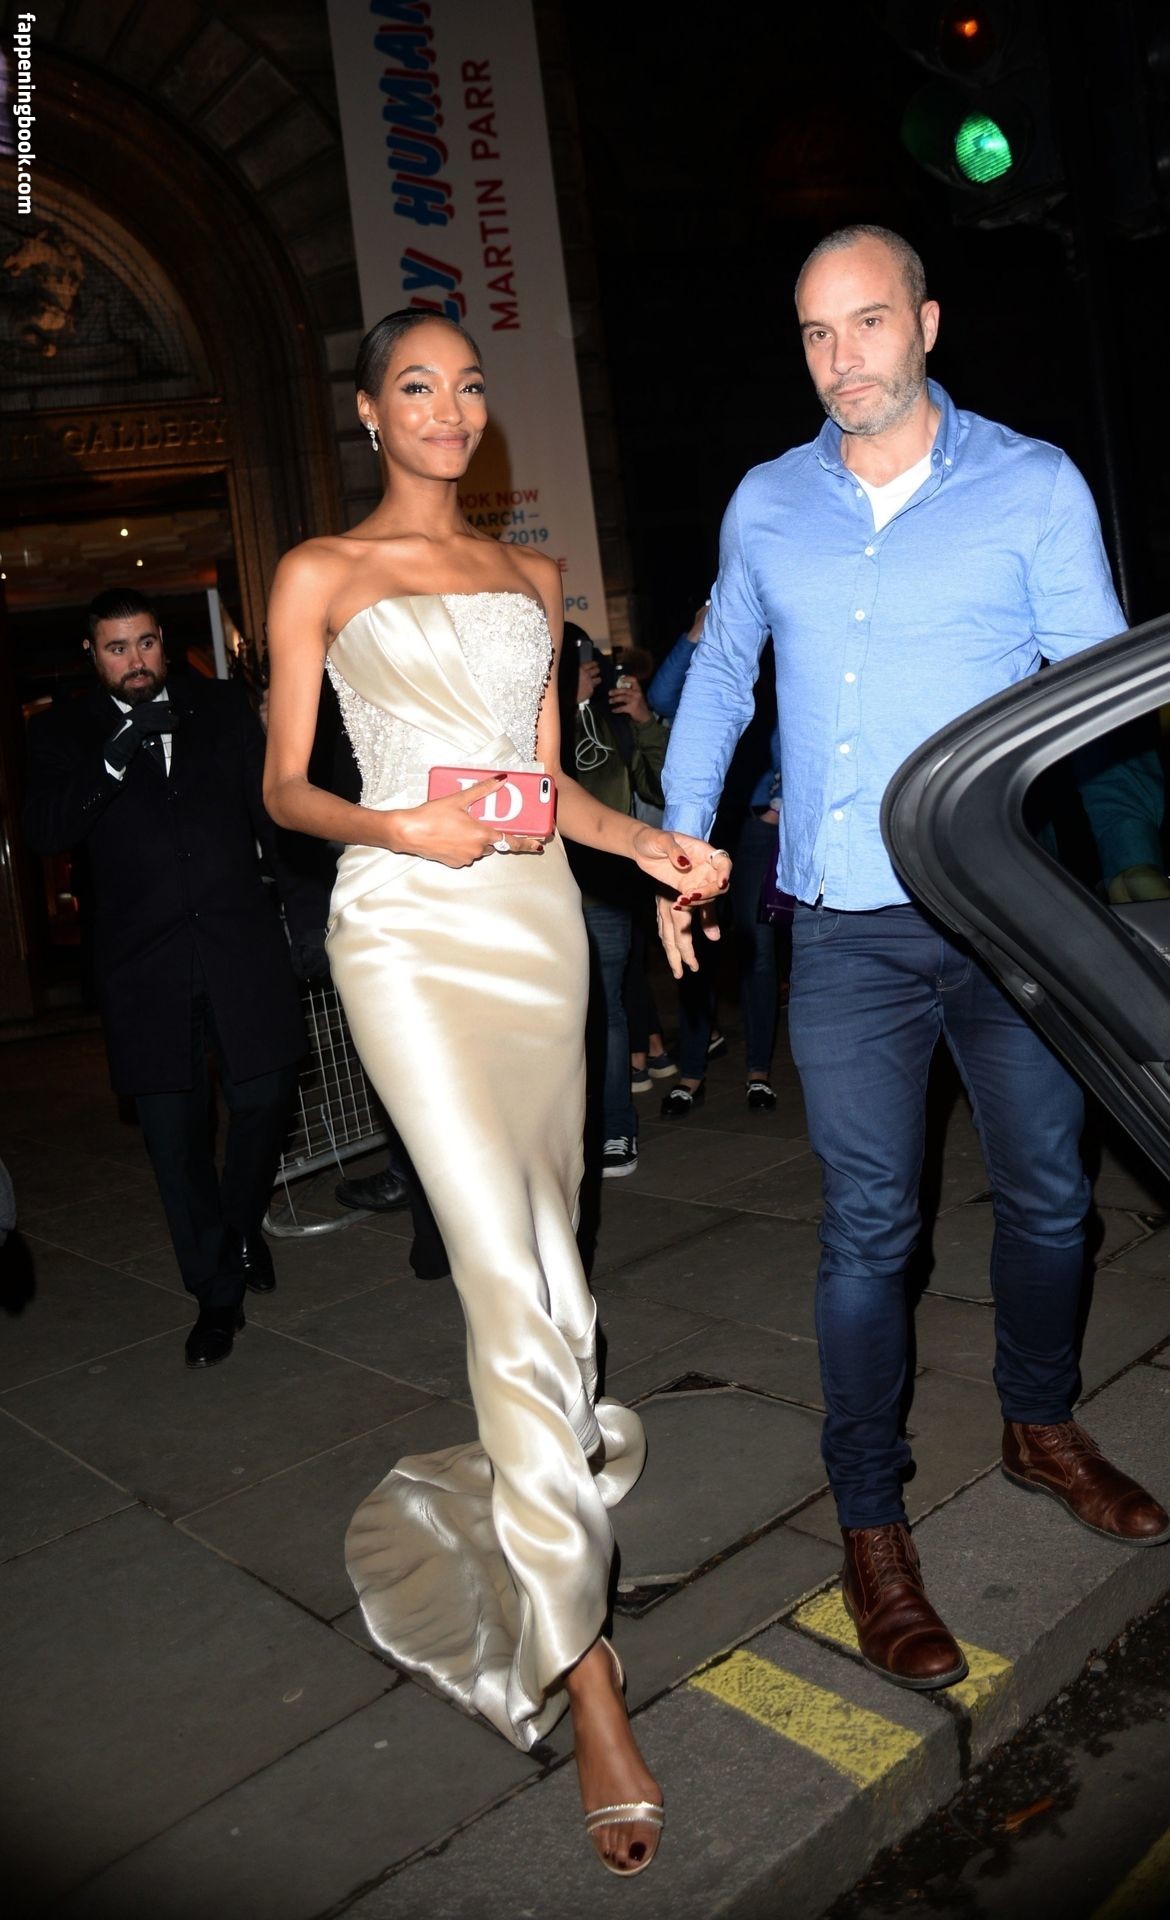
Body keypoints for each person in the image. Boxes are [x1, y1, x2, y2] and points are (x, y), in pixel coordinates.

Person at [659, 224, 1170, 1695]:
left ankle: (1038, 1425)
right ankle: (871, 1526)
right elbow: (722, 675)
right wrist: (680, 837)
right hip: (845, 932)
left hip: (1010, 919)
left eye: (868, 323)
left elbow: (1098, 695)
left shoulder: (1033, 483)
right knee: (869, 1233)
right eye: (816, 333)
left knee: (1052, 1204)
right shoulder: (768, 503)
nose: (843, 359)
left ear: (927, 323)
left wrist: (1128, 872)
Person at [260, 307, 729, 1875]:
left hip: (534, 933)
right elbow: (286, 787)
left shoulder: (532, 581)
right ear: (367, 411)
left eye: (466, 386)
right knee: (497, 1272)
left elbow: (550, 793)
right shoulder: (320, 572)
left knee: (553, 1257)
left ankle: (543, 1488)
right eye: (417, 386)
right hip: (404, 932)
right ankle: (581, 1671)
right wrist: (399, 829)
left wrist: (648, 844)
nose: (448, 408)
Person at [23, 589, 305, 1368]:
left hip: (239, 945)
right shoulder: (61, 732)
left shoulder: (220, 706)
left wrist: (306, 911)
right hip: (142, 966)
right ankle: (216, 1295)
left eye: (145, 643)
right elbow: (46, 830)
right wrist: (115, 754)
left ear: (162, 641)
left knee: (266, 1097)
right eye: (117, 648)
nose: (136, 660)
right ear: (92, 655)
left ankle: (237, 1229)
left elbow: (268, 811)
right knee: (175, 1139)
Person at [649, 605, 786, 1113]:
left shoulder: (775, 645)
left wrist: (780, 806)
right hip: (703, 824)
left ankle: (758, 1071)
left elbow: (799, 729)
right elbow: (661, 698)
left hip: (756, 825)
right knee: (693, 943)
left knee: (757, 947)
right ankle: (691, 1072)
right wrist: (695, 632)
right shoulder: (714, 651)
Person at [561, 623, 670, 1177]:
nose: (588, 666)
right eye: (573, 657)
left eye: (590, 656)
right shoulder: (535, 726)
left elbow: (659, 788)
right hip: (541, 888)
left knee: (605, 1010)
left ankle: (614, 1129)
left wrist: (645, 721)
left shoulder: (615, 723)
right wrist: (566, 705)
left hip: (603, 890)